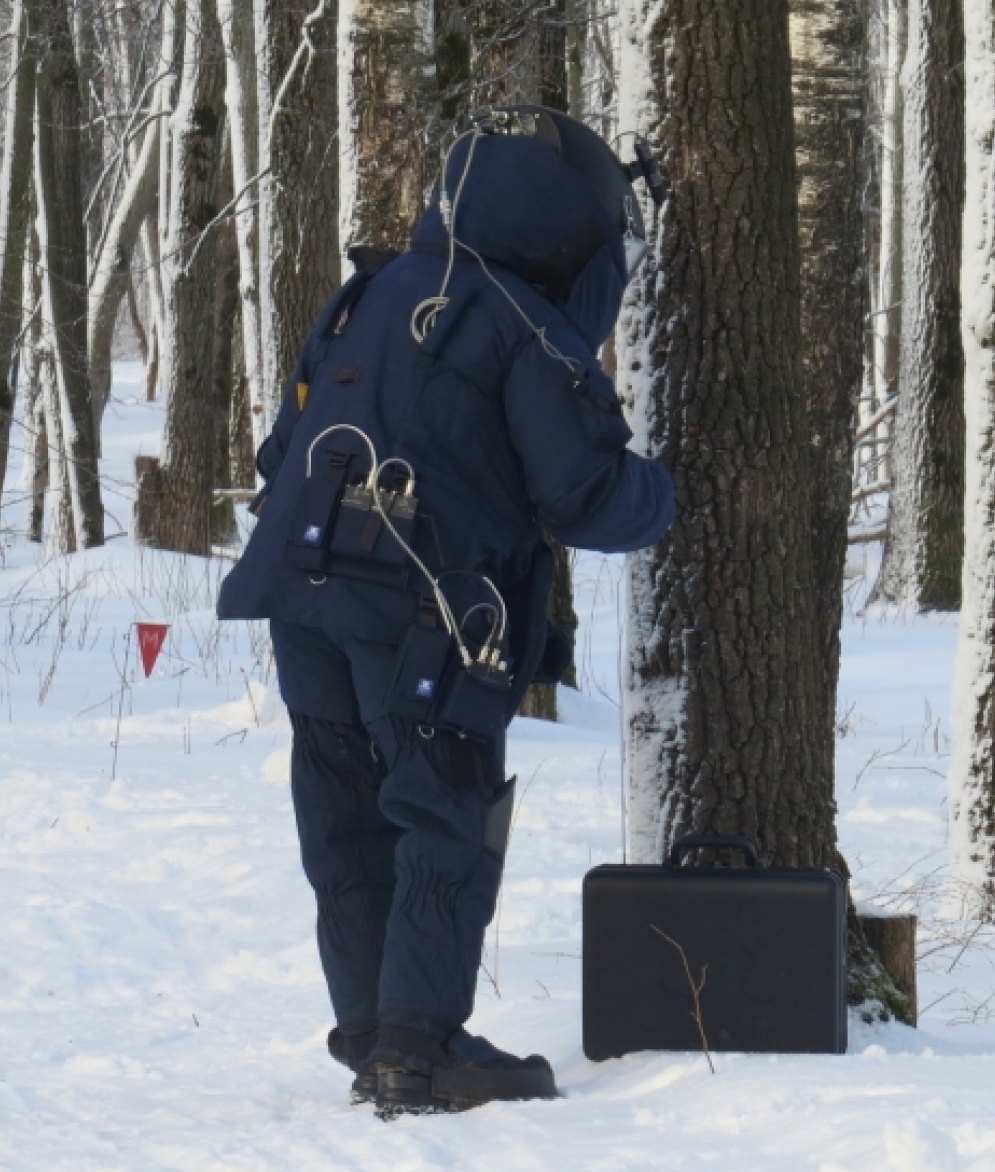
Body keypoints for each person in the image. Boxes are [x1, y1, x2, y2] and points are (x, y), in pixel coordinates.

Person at [216, 107, 675, 1117]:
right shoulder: (525, 325)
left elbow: (280, 447)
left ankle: (375, 1030)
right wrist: (674, 491)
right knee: (443, 806)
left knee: (341, 809)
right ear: (576, 233)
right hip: (426, 604)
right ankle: (418, 1053)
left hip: (301, 586)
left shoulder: (369, 291)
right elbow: (585, 495)